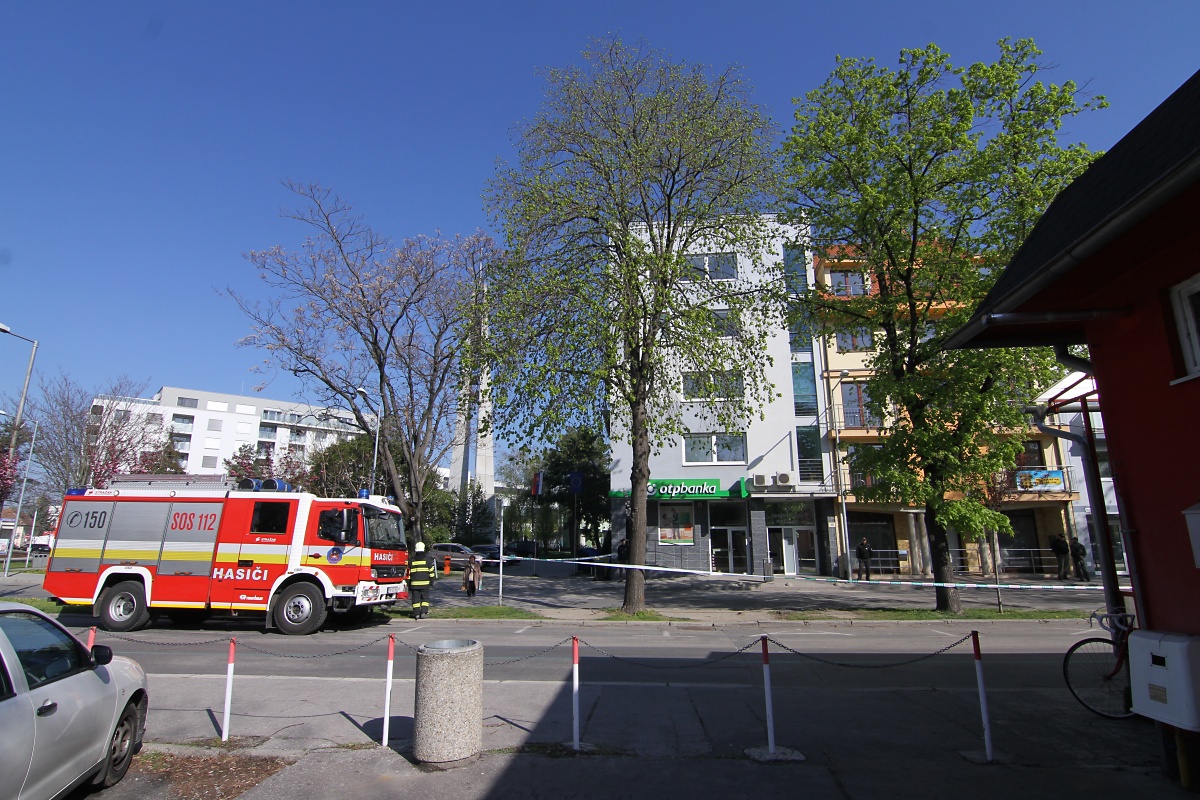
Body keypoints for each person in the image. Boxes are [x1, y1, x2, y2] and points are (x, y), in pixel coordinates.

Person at [407, 541, 437, 618]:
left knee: (415, 599)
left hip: (414, 584)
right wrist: (432, 582)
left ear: (415, 549)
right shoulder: (428, 560)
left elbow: (408, 574)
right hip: (425, 584)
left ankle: (416, 613)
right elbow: (431, 573)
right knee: (425, 598)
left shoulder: (411, 560)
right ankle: (424, 613)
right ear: (423, 549)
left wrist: (408, 584)